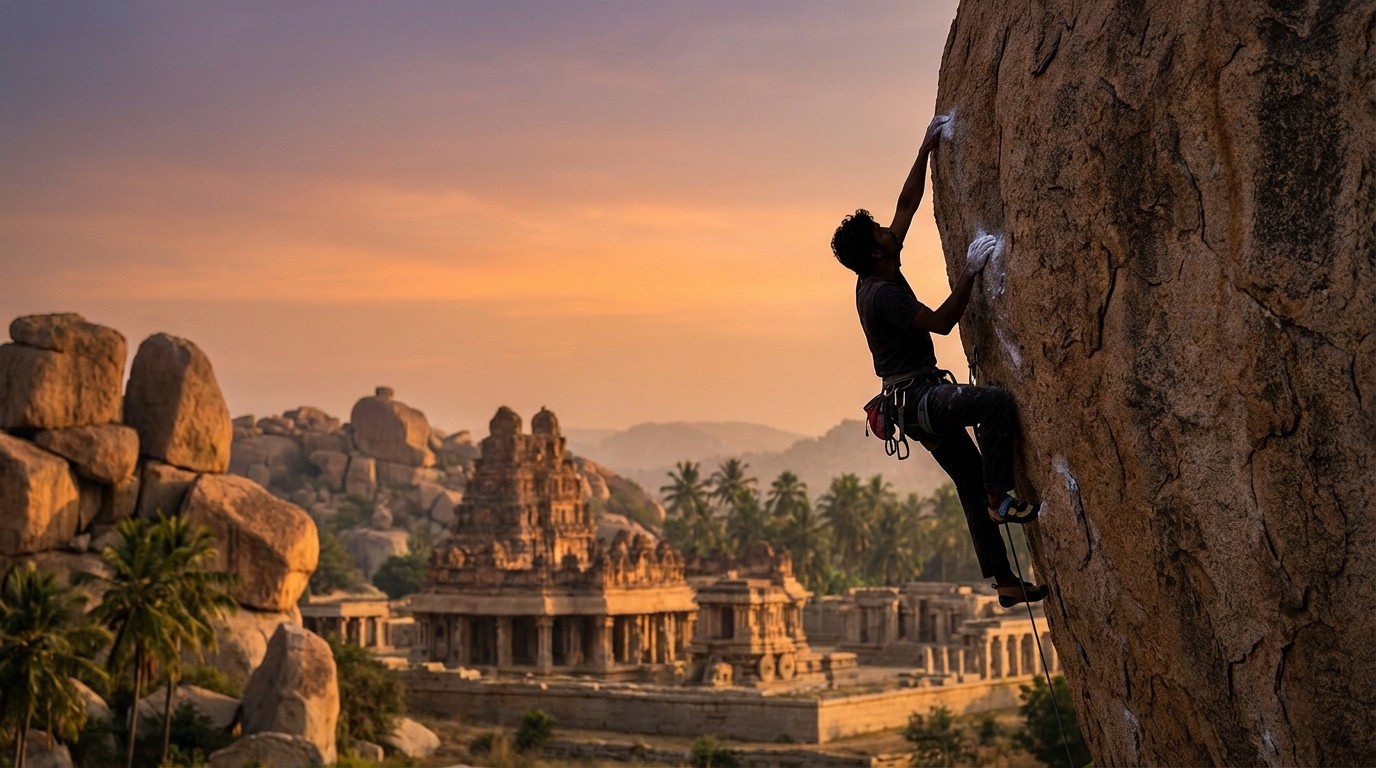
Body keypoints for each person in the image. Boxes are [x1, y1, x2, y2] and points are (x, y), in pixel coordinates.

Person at [830, 113, 1048, 608]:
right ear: (876, 252)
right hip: (921, 399)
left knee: (968, 481)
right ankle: (1000, 498)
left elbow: (906, 205)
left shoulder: (878, 269)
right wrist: (970, 271)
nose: (890, 230)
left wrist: (925, 150)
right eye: (881, 232)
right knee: (994, 405)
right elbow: (944, 322)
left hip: (909, 403)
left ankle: (1004, 581)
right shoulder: (884, 293)